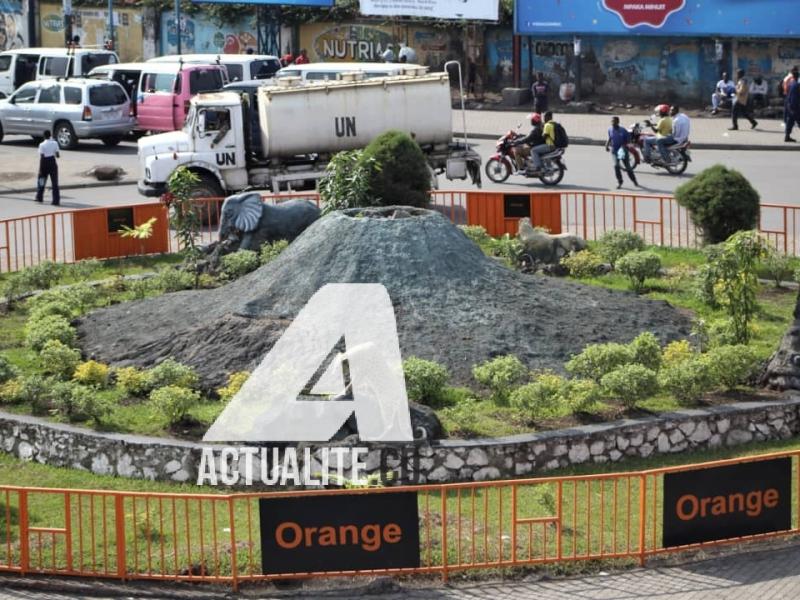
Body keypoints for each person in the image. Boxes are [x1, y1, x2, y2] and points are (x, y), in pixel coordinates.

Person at [605, 116, 638, 189]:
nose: (612, 123)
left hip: (622, 150)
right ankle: (620, 181)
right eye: (612, 121)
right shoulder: (610, 129)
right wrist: (607, 145)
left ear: (618, 122)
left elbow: (629, 141)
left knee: (628, 167)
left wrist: (625, 147)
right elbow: (610, 138)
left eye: (614, 121)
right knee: (616, 166)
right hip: (614, 150)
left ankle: (634, 180)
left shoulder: (623, 130)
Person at [35, 130, 60, 206]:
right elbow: (57, 155)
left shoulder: (41, 145)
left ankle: (39, 197)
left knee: (41, 181)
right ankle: (56, 200)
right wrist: (53, 153)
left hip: (44, 163)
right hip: (52, 162)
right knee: (54, 183)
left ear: (44, 136)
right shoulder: (55, 143)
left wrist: (40, 169)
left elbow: (42, 157)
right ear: (50, 135)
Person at [786, 71, 800, 143]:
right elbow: (795, 97)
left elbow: (788, 95)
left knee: (790, 122)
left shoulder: (790, 84)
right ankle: (787, 137)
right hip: (795, 106)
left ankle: (787, 137)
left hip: (789, 105)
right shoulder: (797, 85)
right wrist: (794, 107)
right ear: (798, 77)